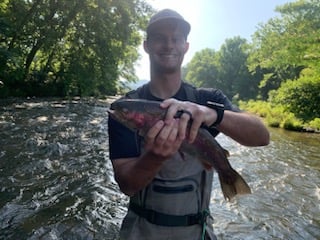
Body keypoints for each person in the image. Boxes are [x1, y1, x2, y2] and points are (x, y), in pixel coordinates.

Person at [108, 9, 270, 240]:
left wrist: (215, 115)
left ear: (185, 46)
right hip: (142, 229)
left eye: (176, 38)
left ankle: (229, 177)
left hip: (198, 229)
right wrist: (154, 157)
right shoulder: (124, 107)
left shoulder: (207, 99)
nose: (168, 44)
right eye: (160, 38)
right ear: (146, 45)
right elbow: (127, 185)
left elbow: (262, 137)